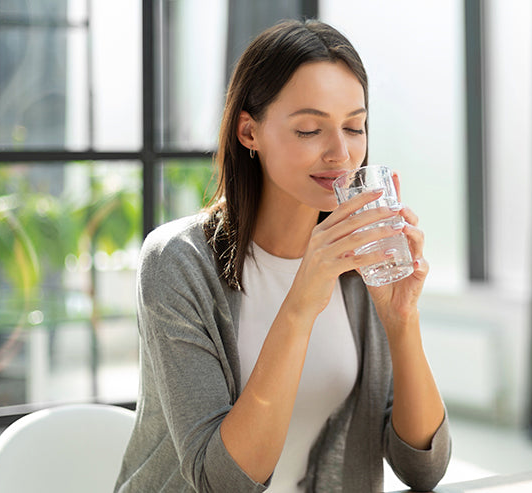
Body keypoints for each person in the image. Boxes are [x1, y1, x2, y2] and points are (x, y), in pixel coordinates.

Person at [115, 19, 451, 493]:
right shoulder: (177, 262)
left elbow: (424, 468)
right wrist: (300, 304)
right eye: (311, 130)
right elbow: (221, 482)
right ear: (249, 132)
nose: (341, 154)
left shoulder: (363, 258)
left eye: (355, 127)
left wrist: (401, 320)